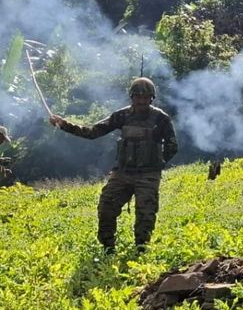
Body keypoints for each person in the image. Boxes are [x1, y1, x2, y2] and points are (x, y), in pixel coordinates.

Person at [49, 77, 178, 253]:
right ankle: (108, 248)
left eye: (145, 97)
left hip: (148, 174)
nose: (141, 101)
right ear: (131, 97)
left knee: (146, 214)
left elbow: (172, 146)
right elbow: (92, 132)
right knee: (106, 207)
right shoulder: (121, 116)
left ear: (152, 98)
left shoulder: (161, 119)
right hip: (123, 172)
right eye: (137, 97)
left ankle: (141, 249)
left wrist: (157, 164)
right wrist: (64, 125)